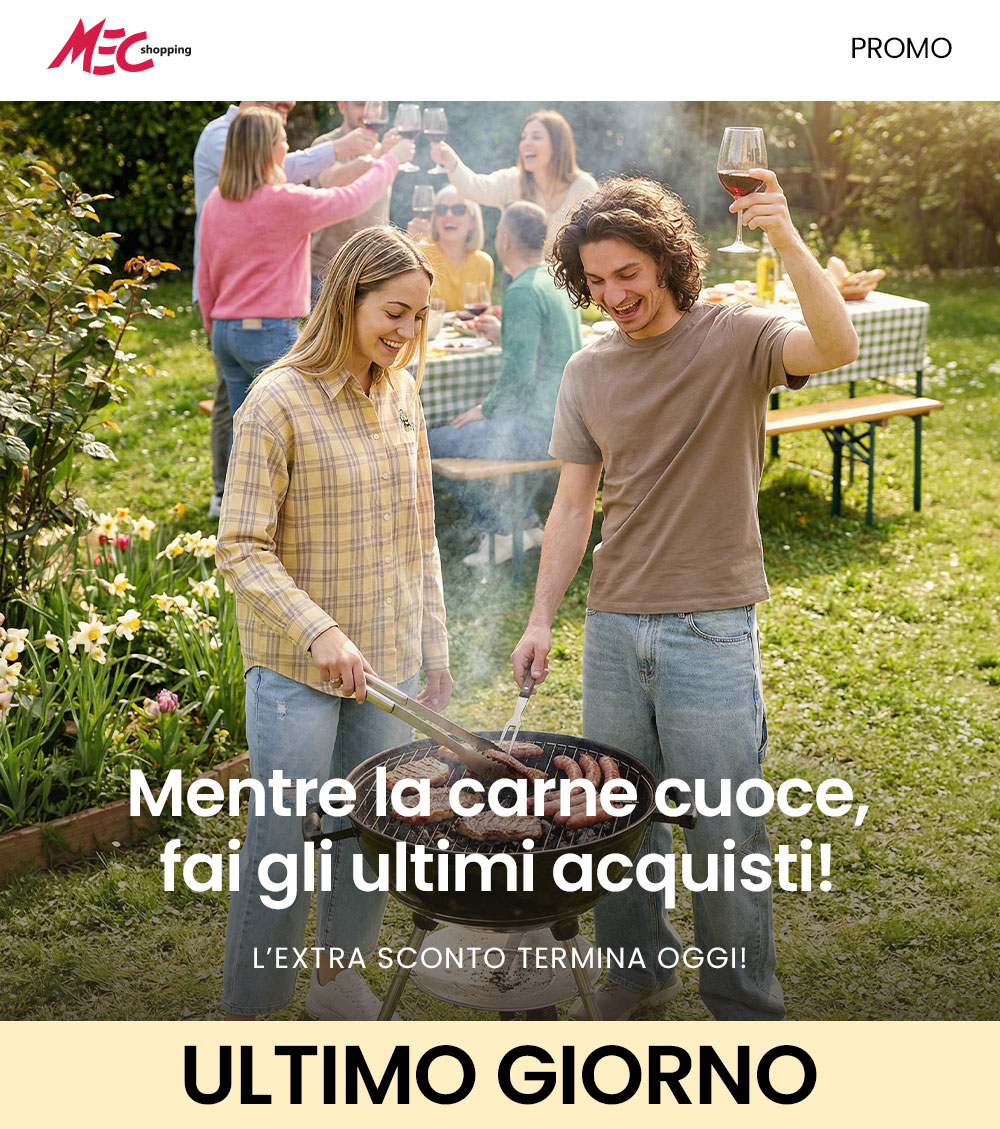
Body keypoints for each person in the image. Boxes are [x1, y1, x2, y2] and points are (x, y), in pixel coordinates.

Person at [510, 173, 858, 1020]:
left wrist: (784, 236)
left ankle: (744, 1005)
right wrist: (542, 616)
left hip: (710, 626)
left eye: (627, 273)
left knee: (724, 829)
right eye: (596, 280)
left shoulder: (738, 336)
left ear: (667, 259)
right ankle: (639, 975)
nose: (613, 295)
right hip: (614, 623)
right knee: (615, 820)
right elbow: (572, 505)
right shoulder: (588, 369)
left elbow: (836, 345)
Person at [215, 226, 452, 1020]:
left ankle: (335, 981)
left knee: (372, 829)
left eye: (418, 316)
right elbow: (241, 547)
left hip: (389, 661)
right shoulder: (276, 401)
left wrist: (434, 648)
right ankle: (249, 1013)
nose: (405, 331)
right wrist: (319, 630)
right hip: (296, 670)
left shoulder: (403, 394)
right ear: (347, 299)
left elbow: (420, 531)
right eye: (393, 313)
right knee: (283, 841)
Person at [196, 106, 413, 481]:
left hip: (226, 334)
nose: (287, 147)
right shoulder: (284, 201)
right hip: (267, 333)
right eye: (282, 140)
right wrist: (389, 162)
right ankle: (292, 504)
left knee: (245, 429)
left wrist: (213, 327)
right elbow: (353, 199)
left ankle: (232, 501)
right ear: (268, 150)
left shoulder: (217, 200)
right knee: (298, 425)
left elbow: (205, 273)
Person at [427, 201, 581, 566]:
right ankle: (525, 522)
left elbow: (519, 376)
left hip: (536, 431)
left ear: (506, 239)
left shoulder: (522, 291)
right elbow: (545, 349)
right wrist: (505, 333)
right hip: (565, 423)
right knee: (462, 435)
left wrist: (487, 408)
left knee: (428, 443)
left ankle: (502, 528)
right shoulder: (554, 280)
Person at [430, 109, 598, 258]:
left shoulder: (584, 187)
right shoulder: (512, 181)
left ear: (558, 145)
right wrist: (451, 162)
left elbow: (595, 239)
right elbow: (474, 187)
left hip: (569, 279)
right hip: (519, 277)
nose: (526, 143)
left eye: (536, 137)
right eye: (523, 138)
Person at [308, 101, 397, 306]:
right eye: (360, 105)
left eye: (375, 106)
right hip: (326, 274)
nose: (369, 113)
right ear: (342, 106)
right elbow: (331, 180)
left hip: (371, 272)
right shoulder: (326, 145)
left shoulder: (382, 150)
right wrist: (378, 157)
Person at [418, 184, 494, 312]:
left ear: (472, 222)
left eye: (458, 210)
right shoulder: (421, 252)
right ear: (435, 220)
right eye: (441, 209)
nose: (448, 215)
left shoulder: (483, 263)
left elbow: (481, 313)